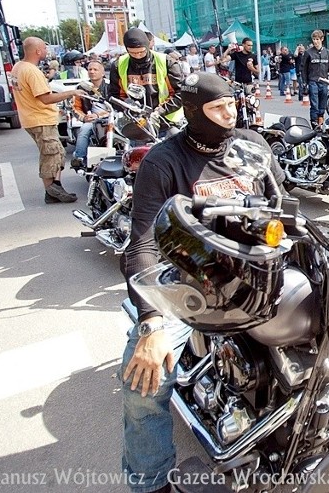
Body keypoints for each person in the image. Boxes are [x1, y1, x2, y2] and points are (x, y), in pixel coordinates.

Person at [119, 71, 284, 493]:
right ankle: (149, 481)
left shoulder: (254, 147)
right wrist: (151, 324)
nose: (229, 114)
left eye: (232, 103)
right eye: (217, 108)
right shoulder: (164, 160)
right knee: (144, 382)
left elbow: (283, 210)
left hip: (257, 276)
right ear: (193, 112)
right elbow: (141, 243)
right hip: (192, 282)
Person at [9, 37, 83, 203]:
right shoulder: (31, 71)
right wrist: (71, 93)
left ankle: (55, 187)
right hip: (40, 119)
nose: (46, 51)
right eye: (44, 48)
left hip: (31, 118)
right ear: (37, 51)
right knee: (51, 154)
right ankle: (51, 190)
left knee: (55, 152)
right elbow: (45, 98)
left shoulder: (18, 67)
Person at [108, 28, 184, 133]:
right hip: (138, 122)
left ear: (148, 46)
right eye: (133, 53)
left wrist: (159, 111)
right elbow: (114, 95)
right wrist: (129, 107)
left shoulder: (167, 62)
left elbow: (181, 92)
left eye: (141, 52)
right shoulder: (118, 65)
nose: (138, 56)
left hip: (168, 121)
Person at [70, 60, 110, 170]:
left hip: (112, 118)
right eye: (90, 69)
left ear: (102, 73)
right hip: (92, 120)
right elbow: (75, 107)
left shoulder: (111, 86)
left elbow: (119, 105)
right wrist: (84, 117)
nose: (92, 72)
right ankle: (80, 158)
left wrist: (99, 115)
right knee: (84, 129)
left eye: (95, 69)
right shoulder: (81, 87)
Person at [301, 30, 329, 125]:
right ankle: (314, 123)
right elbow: (303, 69)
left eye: (317, 39)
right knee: (314, 105)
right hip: (313, 81)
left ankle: (321, 122)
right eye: (314, 39)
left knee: (323, 104)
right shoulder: (308, 53)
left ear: (322, 39)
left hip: (324, 82)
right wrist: (304, 83)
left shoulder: (327, 53)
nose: (315, 41)